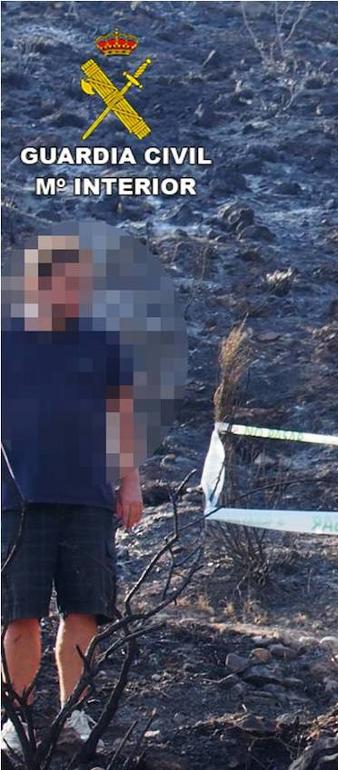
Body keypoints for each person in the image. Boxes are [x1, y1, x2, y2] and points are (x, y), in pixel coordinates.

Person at [1, 234, 142, 754]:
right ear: (40, 283)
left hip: (88, 497)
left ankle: (74, 713)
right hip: (20, 498)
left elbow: (122, 416)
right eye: (71, 281)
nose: (80, 291)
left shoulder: (103, 339)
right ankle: (16, 717)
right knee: (20, 614)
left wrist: (129, 481)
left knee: (84, 611)